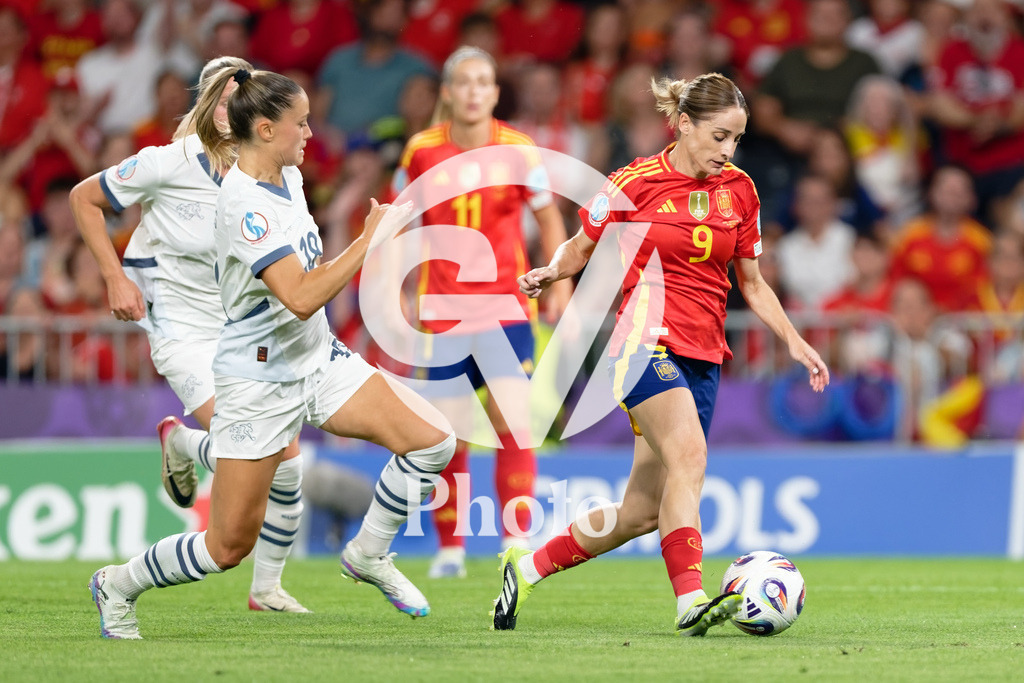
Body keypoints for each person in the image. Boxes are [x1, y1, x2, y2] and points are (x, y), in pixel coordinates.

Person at [84, 65, 456, 640]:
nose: (311, 134)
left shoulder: (290, 176)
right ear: (263, 129)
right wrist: (369, 239)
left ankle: (369, 554)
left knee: (434, 442)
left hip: (316, 360)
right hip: (259, 380)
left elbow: (310, 278)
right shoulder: (244, 206)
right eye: (301, 124)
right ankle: (118, 583)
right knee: (226, 546)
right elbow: (301, 296)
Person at [493, 72, 829, 636]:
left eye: (737, 139)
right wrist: (553, 271)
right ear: (682, 124)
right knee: (690, 456)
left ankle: (523, 569)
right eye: (719, 136)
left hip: (704, 354)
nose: (728, 151)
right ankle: (691, 600)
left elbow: (751, 281)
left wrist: (793, 339)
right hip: (641, 344)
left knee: (641, 512)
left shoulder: (741, 190)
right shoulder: (634, 181)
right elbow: (581, 246)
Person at [71, 56, 318, 613]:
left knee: (286, 456)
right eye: (230, 98)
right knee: (261, 451)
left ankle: (266, 588)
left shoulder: (266, 175)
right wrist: (115, 278)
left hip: (237, 326)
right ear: (212, 105)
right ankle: (185, 450)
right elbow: (83, 199)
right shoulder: (166, 163)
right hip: (180, 326)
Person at [392, 47, 571, 579]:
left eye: (484, 82)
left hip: (505, 305)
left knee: (510, 424)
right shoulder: (421, 151)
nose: (473, 91)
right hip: (443, 309)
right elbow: (399, 218)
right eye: (464, 82)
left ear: (494, 93)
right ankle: (451, 549)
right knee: (449, 432)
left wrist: (558, 279)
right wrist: (397, 282)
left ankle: (515, 543)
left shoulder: (518, 149)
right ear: (448, 91)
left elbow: (549, 219)